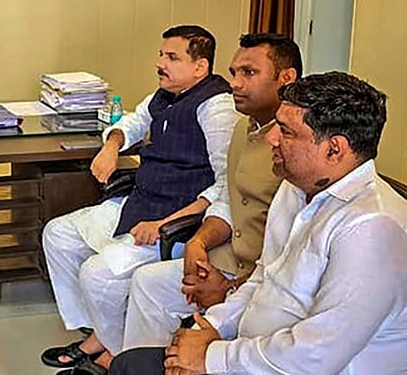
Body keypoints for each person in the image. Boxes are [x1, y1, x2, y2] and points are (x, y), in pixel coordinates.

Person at [112, 72, 407, 375]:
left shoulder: (372, 228)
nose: (270, 138)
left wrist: (213, 359)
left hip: (298, 368)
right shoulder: (296, 188)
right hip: (255, 353)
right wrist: (211, 327)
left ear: (335, 148)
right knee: (133, 364)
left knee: (133, 368)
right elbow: (264, 278)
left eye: (286, 131)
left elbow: (317, 355)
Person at [41, 25, 239, 373]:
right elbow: (131, 122)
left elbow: (225, 185)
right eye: (161, 55)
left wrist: (164, 224)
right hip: (141, 201)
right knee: (58, 234)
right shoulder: (166, 94)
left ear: (200, 67)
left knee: (97, 274)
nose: (160, 63)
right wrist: (111, 146)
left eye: (172, 57)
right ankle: (103, 336)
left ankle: (117, 358)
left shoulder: (216, 108)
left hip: (176, 220)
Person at [121, 34, 302, 354]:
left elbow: (294, 258)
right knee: (147, 283)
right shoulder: (242, 128)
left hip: (264, 281)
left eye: (249, 73)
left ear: (286, 78)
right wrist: (199, 242)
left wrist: (230, 288)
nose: (235, 83)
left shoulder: (297, 148)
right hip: (227, 259)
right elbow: (229, 197)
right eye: (234, 73)